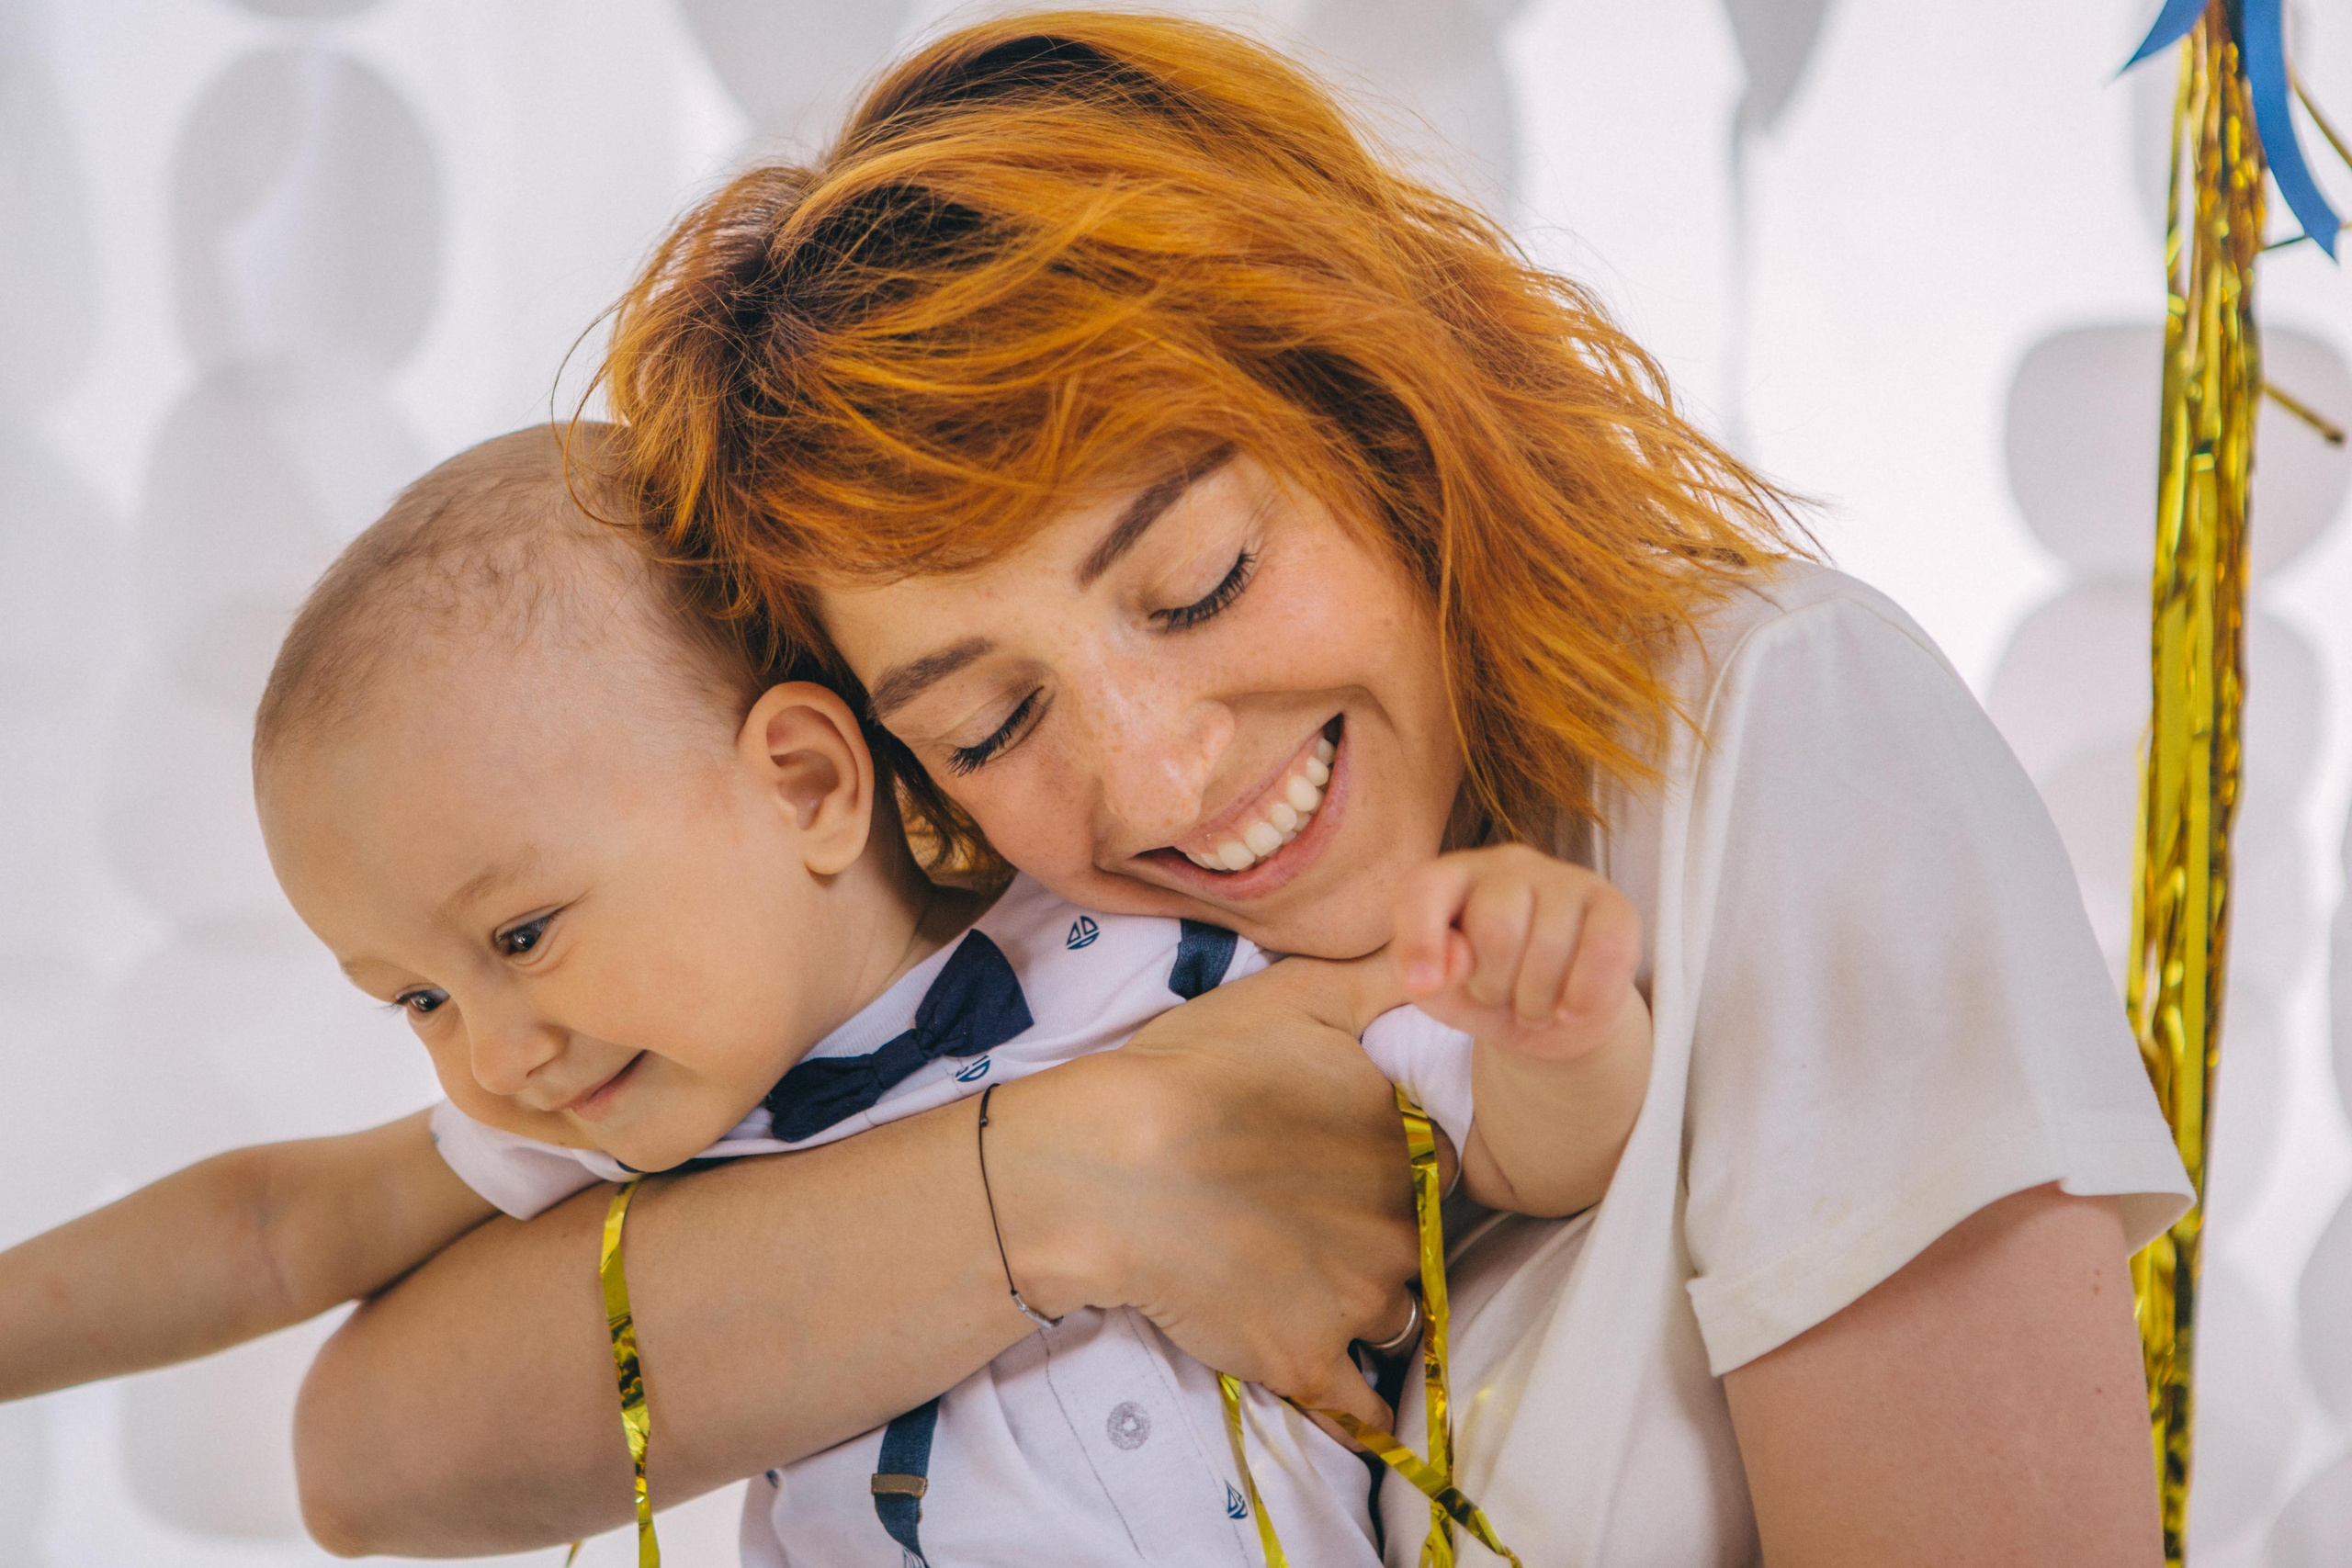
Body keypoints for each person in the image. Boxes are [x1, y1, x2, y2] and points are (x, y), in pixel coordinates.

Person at [293, 14, 2196, 1564]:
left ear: (1380, 404)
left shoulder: (1774, 727)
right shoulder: (1044, 940)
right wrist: (1074, 1184)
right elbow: (373, 1451)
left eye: (1194, 580)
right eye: (985, 721)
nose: (1161, 770)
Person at [0, 424, 1652, 1565]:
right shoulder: (623, 1127)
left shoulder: (1152, 944)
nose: (489, 1052)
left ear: (802, 784)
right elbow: (274, 1236)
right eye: (409, 1002)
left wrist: (1554, 1016)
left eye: (517, 938)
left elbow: (1527, 1159)